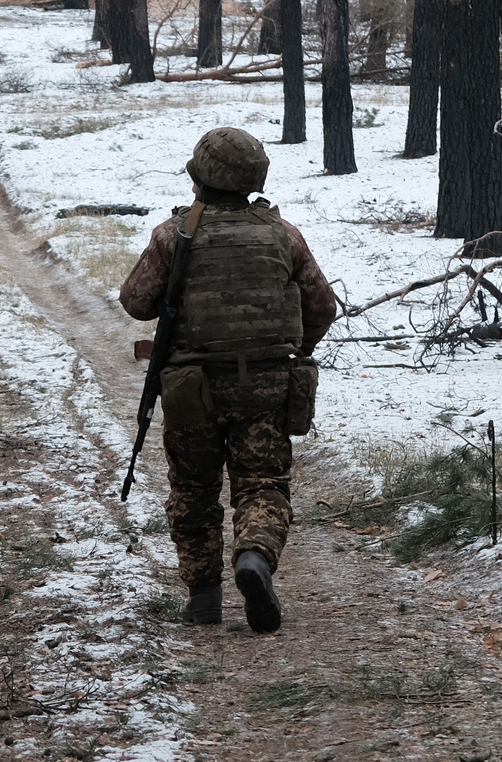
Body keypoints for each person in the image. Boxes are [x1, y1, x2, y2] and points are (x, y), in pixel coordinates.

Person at [119, 127, 336, 633]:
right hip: (266, 388)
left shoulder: (174, 236)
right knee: (262, 484)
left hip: (192, 388)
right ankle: (254, 556)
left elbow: (135, 302)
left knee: (193, 489)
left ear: (200, 177)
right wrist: (295, 351)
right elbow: (322, 306)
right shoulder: (284, 235)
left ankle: (203, 598)